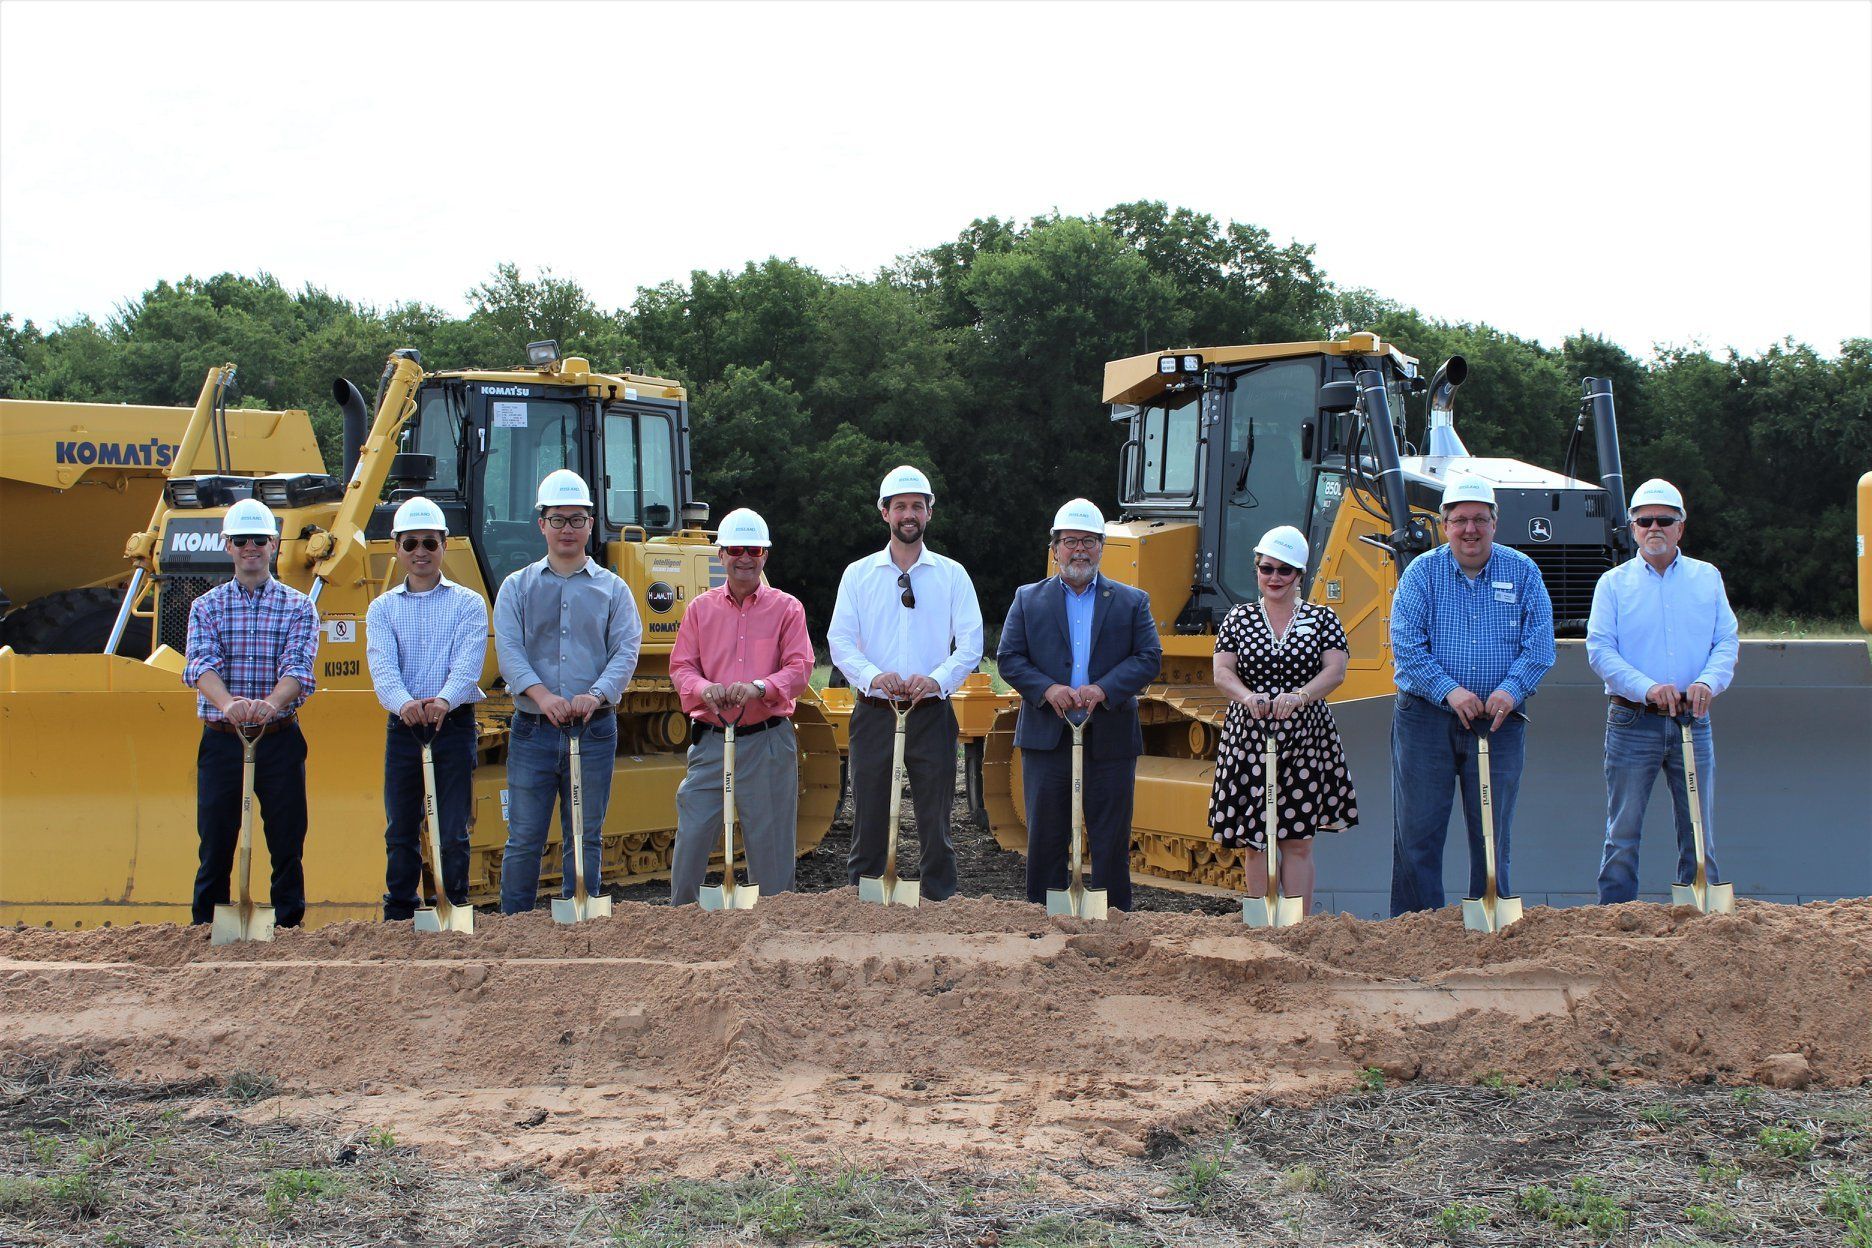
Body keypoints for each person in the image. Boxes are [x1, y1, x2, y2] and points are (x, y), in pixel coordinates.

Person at [1389, 475, 1556, 916]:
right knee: (1418, 833)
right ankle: (1416, 927)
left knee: (1492, 833)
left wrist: (1510, 690)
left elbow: (1540, 646)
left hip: (1500, 722)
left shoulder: (1523, 571)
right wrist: (1450, 691)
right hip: (1427, 720)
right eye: (1460, 520)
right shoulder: (1421, 574)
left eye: (1480, 519)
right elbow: (1406, 647)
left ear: (1494, 523)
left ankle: (1490, 921)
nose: (1470, 529)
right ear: (1445, 525)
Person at [827, 465, 984, 901]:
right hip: (875, 714)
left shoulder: (952, 575)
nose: (908, 514)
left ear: (930, 512)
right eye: (900, 506)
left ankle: (938, 902)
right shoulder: (858, 574)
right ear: (885, 513)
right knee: (869, 817)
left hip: (931, 715)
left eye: (917, 506)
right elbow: (840, 640)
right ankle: (865, 903)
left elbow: (971, 643)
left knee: (936, 820)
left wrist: (936, 680)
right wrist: (872, 676)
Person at [996, 499, 1161, 911]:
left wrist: (1104, 689)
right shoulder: (1027, 599)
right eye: (1070, 541)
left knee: (1110, 840)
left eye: (1089, 541)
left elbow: (1148, 658)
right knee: (1046, 838)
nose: (1079, 550)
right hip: (1047, 738)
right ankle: (1044, 919)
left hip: (1110, 740)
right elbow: (1009, 658)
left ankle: (1113, 922)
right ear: (1055, 548)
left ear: (1102, 547)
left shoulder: (1132, 602)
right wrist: (1048, 689)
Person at [492, 468, 642, 913]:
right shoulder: (516, 587)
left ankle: (580, 922)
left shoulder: (613, 590)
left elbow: (625, 651)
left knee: (585, 835)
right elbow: (510, 651)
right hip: (533, 730)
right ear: (542, 524)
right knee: (524, 837)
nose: (567, 529)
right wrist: (543, 697)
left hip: (594, 729)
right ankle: (514, 927)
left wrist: (594, 695)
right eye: (558, 519)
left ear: (590, 524)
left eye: (576, 519)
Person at [1586, 478, 1739, 903]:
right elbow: (1600, 651)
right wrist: (1648, 688)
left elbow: (1726, 640)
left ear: (1680, 527)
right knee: (1622, 831)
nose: (1654, 527)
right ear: (1632, 528)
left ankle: (1701, 915)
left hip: (1693, 720)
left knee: (1699, 830)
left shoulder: (1707, 578)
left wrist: (1708, 681)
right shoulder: (1613, 584)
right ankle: (1615, 918)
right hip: (1632, 721)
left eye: (1664, 520)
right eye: (1644, 520)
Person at [182, 497, 320, 928]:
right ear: (228, 545)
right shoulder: (206, 607)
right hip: (223, 741)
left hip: (278, 739)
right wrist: (229, 705)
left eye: (259, 540)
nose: (250, 548)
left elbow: (299, 668)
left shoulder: (299, 607)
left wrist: (270, 705)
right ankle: (207, 929)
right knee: (215, 842)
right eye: (241, 540)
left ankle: (289, 927)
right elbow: (200, 664)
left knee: (287, 841)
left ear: (274, 544)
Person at [1208, 525, 1357, 913]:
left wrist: (1301, 695)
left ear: (1299, 574)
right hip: (1249, 738)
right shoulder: (1238, 618)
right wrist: (1247, 696)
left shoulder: (1322, 619)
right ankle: (1261, 921)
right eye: (1267, 568)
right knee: (1255, 841)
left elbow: (1335, 670)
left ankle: (1296, 926)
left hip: (1305, 739)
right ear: (1257, 570)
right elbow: (1222, 672)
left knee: (1298, 840)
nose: (1274, 577)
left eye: (1284, 570)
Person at [669, 507, 814, 905]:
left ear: (765, 554)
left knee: (771, 848)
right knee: (693, 835)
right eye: (735, 550)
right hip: (712, 742)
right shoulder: (700, 609)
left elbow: (800, 668)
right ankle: (682, 921)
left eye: (754, 550)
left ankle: (772, 925)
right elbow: (682, 666)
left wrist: (759, 688)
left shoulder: (787, 608)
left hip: (767, 742)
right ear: (721, 555)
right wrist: (705, 689)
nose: (744, 558)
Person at [365, 496, 489, 921]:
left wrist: (443, 701)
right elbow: (382, 666)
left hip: (452, 725)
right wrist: (404, 704)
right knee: (400, 828)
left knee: (452, 828)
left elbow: (468, 663)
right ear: (396, 547)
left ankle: (452, 906)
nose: (421, 551)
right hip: (404, 727)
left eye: (430, 543)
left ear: (444, 545)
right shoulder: (382, 609)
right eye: (411, 543)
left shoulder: (469, 604)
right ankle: (401, 912)